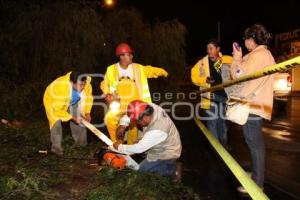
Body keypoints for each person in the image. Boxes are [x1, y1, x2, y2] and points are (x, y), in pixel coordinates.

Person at [230, 24, 274, 193]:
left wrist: (237, 58)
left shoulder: (258, 55)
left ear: (251, 39)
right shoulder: (262, 54)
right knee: (253, 141)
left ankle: (257, 183)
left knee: (254, 143)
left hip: (253, 104)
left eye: (246, 39)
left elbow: (240, 76)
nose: (245, 42)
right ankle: (256, 176)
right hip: (255, 103)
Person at [101, 43, 168, 144]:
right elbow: (105, 83)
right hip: (119, 104)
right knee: (110, 119)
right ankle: (116, 143)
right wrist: (107, 93)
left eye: (131, 54)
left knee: (133, 126)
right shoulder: (111, 69)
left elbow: (150, 70)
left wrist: (162, 72)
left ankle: (131, 148)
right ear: (121, 56)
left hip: (135, 104)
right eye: (129, 54)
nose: (132, 56)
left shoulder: (138, 68)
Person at [112, 100, 182, 180]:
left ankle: (173, 170)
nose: (136, 123)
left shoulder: (158, 129)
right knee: (140, 144)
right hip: (161, 141)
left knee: (142, 173)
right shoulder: (150, 107)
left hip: (167, 152)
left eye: (137, 121)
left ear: (144, 118)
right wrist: (123, 125)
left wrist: (119, 147)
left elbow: (139, 148)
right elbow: (133, 112)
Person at [191, 39, 233, 146]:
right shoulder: (202, 63)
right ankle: (216, 149)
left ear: (218, 49)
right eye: (207, 48)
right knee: (212, 125)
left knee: (222, 125)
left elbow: (238, 72)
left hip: (224, 98)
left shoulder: (227, 60)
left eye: (211, 48)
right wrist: (204, 80)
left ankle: (223, 147)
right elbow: (193, 76)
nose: (209, 51)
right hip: (210, 98)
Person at [43, 71, 93, 155]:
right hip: (54, 102)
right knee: (56, 123)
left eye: (84, 84)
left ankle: (81, 146)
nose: (83, 87)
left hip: (72, 101)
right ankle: (56, 150)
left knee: (80, 120)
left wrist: (87, 112)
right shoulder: (60, 87)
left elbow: (88, 98)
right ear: (71, 83)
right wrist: (72, 118)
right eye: (80, 85)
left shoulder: (86, 82)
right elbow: (58, 109)